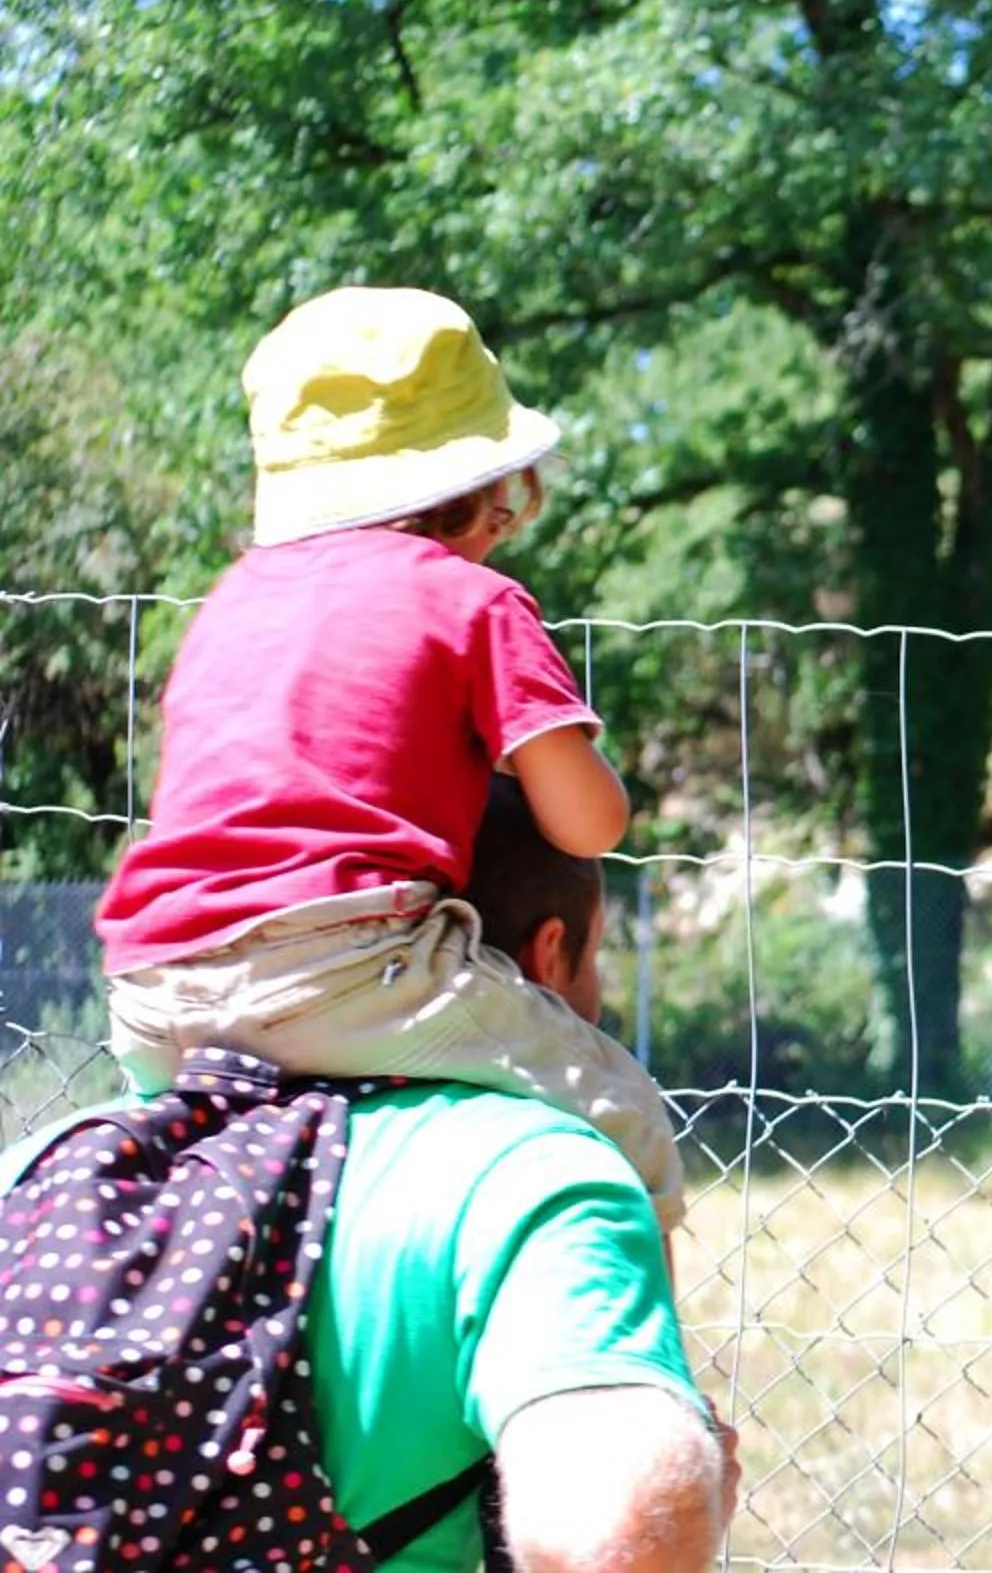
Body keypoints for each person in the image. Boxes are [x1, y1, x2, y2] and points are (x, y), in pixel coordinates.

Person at [2, 780, 728, 1571]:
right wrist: (696, 1488)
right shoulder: (535, 1176)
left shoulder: (53, 1163)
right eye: (594, 959)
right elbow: (616, 1532)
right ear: (550, 952)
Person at [93, 286, 685, 1227]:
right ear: (483, 487)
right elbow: (588, 823)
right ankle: (616, 1362)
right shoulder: (474, 602)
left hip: (154, 993)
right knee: (628, 1118)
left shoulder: (231, 602)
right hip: (347, 971)